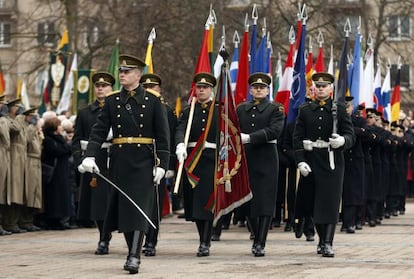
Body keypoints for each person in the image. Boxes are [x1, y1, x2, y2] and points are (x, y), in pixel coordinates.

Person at [80, 54, 170, 274]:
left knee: (138, 209)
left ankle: (134, 256)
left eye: (127, 71)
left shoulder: (152, 100)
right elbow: (99, 131)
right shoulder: (112, 100)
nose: (122, 74)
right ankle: (132, 249)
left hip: (144, 161)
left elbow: (163, 136)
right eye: (121, 71)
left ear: (138, 75)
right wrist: (90, 155)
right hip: (120, 160)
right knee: (125, 210)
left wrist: (162, 165)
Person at [293, 72, 355, 257]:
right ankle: (321, 239)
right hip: (312, 159)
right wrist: (301, 161)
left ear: (331, 89)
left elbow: (351, 135)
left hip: (332, 161)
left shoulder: (340, 109)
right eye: (318, 86)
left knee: (329, 203)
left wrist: (342, 141)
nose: (321, 89)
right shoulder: (305, 110)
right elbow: (297, 138)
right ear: (314, 88)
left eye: (324, 86)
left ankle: (327, 242)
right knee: (313, 202)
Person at [236, 72, 285, 257]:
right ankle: (255, 233)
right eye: (255, 87)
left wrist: (250, 137)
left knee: (264, 201)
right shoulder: (241, 109)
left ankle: (260, 242)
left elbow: (275, 130)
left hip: (266, 157)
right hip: (246, 157)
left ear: (267, 90)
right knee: (247, 200)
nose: (258, 90)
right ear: (250, 90)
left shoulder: (275, 108)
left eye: (262, 87)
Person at [175, 72, 217, 257]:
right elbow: (180, 129)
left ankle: (205, 242)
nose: (201, 90)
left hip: (210, 159)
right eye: (199, 87)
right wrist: (179, 145)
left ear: (211, 90)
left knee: (206, 203)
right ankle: (203, 237)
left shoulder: (218, 110)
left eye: (205, 87)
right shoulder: (188, 110)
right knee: (194, 203)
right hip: (192, 161)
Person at [73, 72, 115, 255]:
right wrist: (80, 161)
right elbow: (76, 140)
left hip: (114, 159)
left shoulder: (119, 109)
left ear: (111, 88)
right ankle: (103, 237)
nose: (100, 88)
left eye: (104, 86)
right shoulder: (84, 113)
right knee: (98, 202)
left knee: (113, 201)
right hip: (95, 160)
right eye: (98, 86)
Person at [139, 73, 177, 257]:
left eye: (152, 88)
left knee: (154, 203)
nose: (148, 91)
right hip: (137, 161)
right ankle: (138, 238)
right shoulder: (134, 107)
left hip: (157, 161)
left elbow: (168, 139)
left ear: (159, 90)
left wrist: (169, 166)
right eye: (145, 88)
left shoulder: (166, 110)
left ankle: (151, 241)